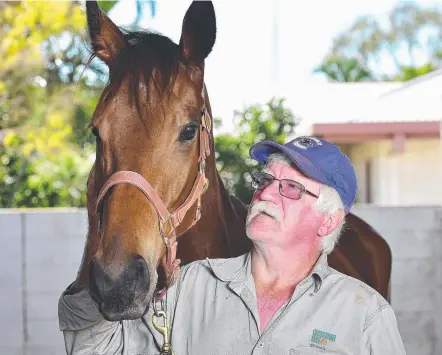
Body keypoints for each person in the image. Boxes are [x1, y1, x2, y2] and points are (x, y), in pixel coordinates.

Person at [58, 136, 406, 355]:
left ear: (328, 221)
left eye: (291, 188)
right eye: (266, 179)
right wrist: (103, 265)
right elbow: (97, 349)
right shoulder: (185, 287)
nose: (266, 192)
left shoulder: (366, 315)